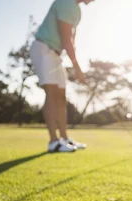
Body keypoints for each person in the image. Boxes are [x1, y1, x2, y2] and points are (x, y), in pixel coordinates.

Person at [30, 0, 95, 153]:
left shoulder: (77, 12)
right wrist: (77, 67)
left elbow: (72, 40)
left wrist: (75, 62)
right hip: (44, 48)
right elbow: (65, 38)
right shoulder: (65, 3)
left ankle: (64, 138)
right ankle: (54, 142)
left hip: (56, 54)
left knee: (61, 96)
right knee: (51, 93)